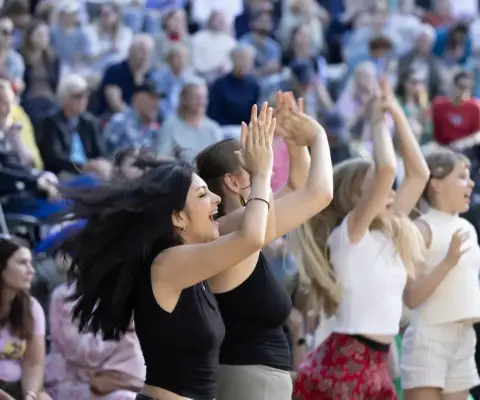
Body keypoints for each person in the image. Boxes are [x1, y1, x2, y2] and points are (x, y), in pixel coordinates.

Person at [57, 104, 277, 400]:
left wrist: (297, 146)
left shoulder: (190, 256)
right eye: (202, 195)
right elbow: (252, 237)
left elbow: (271, 214)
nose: (215, 199)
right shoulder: (169, 263)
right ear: (178, 217)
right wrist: (261, 173)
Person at [292, 78, 430, 399]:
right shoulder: (349, 235)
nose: (390, 191)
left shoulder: (388, 230)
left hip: (374, 362)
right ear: (356, 195)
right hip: (347, 362)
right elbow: (386, 168)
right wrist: (375, 120)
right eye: (378, 188)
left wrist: (394, 112)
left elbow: (420, 174)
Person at [194, 92, 333, 399]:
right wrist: (318, 136)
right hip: (249, 380)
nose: (264, 159)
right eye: (254, 156)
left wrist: (294, 138)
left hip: (252, 378)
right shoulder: (227, 227)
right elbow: (319, 193)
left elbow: (298, 184)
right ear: (232, 182)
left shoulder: (244, 219)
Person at [400, 149, 480, 400]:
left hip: (465, 339)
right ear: (435, 184)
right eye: (462, 177)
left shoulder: (467, 226)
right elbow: (412, 297)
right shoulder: (420, 229)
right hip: (430, 339)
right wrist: (447, 262)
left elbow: (463, 293)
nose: (471, 183)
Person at [0, 237, 50, 400]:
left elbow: (34, 363)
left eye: (31, 263)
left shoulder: (31, 308)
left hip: (17, 386)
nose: (31, 270)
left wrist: (30, 395)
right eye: (22, 263)